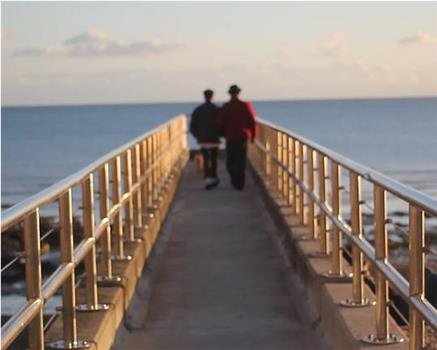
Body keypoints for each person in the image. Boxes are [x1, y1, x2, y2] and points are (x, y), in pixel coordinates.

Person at [216, 84, 256, 190]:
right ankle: (239, 182)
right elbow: (252, 121)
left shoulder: (226, 106)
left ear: (230, 94)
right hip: (242, 136)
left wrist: (221, 134)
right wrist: (253, 135)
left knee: (231, 160)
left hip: (231, 137)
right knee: (240, 160)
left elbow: (219, 122)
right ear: (239, 93)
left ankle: (235, 180)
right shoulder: (245, 105)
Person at [190, 89, 220, 190]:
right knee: (214, 159)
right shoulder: (216, 109)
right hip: (214, 139)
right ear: (212, 96)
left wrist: (197, 136)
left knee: (206, 159)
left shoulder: (198, 110)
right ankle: (214, 177)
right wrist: (220, 134)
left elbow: (192, 126)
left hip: (203, 140)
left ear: (204, 96)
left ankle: (207, 178)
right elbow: (221, 124)